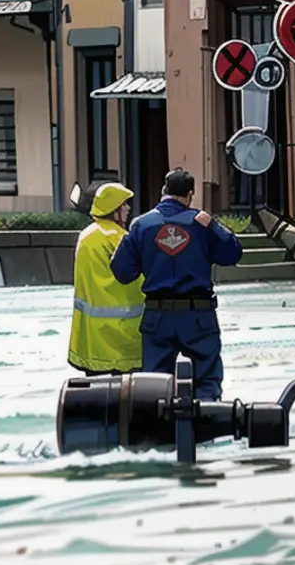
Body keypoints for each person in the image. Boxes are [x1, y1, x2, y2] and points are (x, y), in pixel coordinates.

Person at [110, 168, 244, 400]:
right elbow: (233, 254)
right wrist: (213, 225)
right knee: (207, 381)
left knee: (152, 386)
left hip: (157, 317)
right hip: (198, 316)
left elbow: (122, 272)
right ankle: (207, 426)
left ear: (164, 191)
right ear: (190, 194)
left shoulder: (141, 225)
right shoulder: (200, 224)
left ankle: (158, 432)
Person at [68, 182, 145, 376]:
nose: (127, 209)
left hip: (91, 339)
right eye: (123, 205)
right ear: (113, 209)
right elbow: (140, 278)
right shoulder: (119, 237)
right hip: (122, 336)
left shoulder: (86, 236)